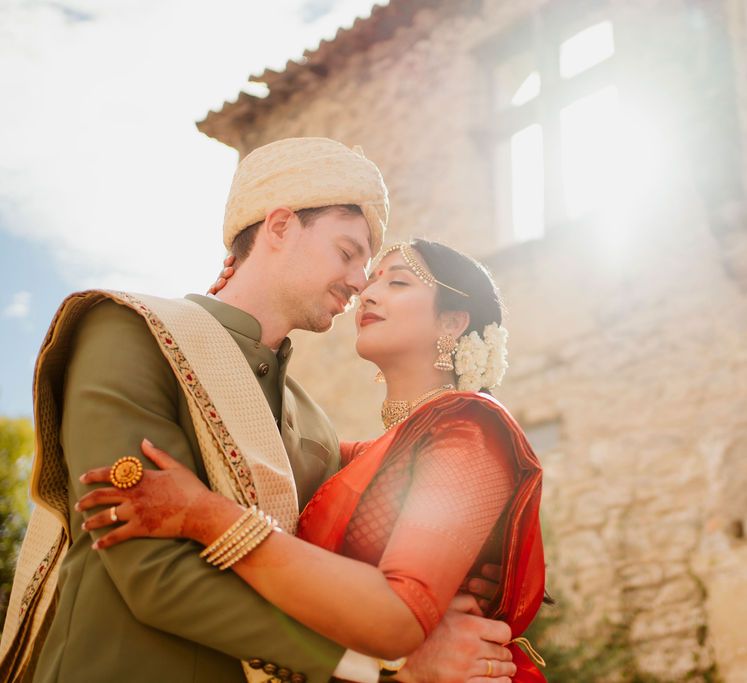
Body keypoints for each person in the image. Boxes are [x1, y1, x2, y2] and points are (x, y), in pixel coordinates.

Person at [0, 138, 518, 683]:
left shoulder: (314, 426)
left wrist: (452, 591)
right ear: (278, 226)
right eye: (347, 252)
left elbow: (354, 580)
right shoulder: (131, 334)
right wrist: (384, 664)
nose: (360, 283)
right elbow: (153, 574)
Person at [75, 239, 547, 681]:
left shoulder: (470, 429)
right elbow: (248, 438)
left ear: (452, 322)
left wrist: (207, 517)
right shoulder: (355, 458)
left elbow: (399, 617)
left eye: (397, 281)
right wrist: (231, 314)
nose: (367, 291)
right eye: (372, 278)